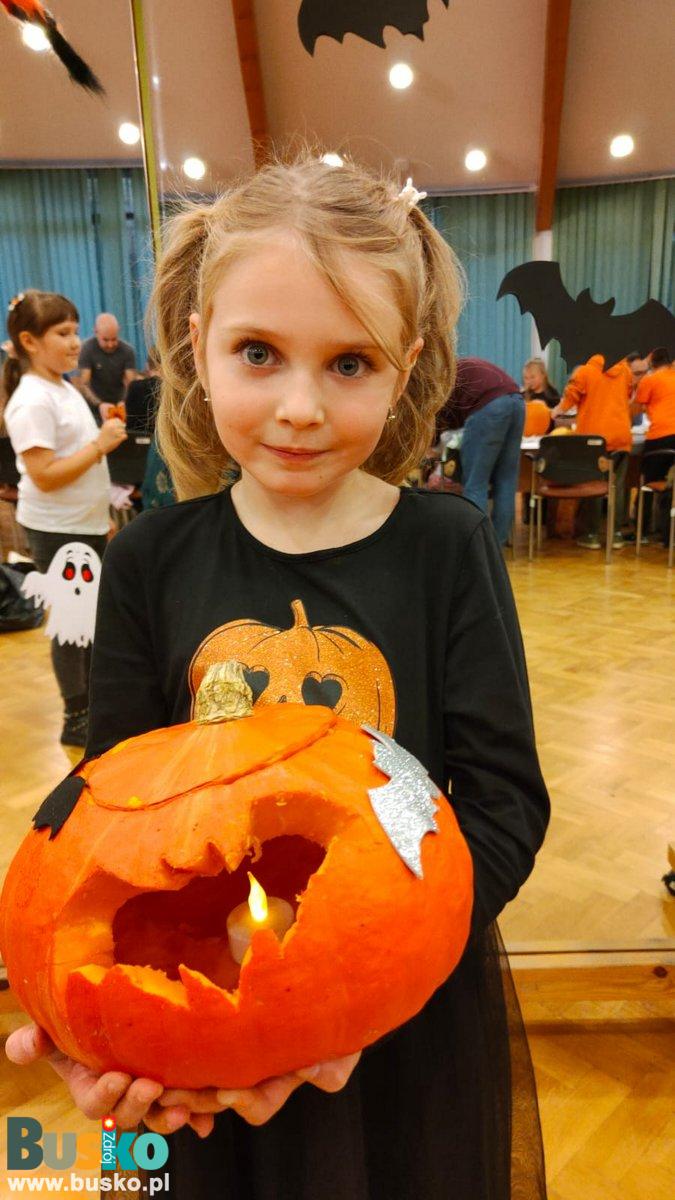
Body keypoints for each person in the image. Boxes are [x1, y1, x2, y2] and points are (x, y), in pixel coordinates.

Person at [6, 157, 550, 1200]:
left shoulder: (447, 546)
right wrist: (85, 1016)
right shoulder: (150, 558)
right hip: (198, 1011)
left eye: (349, 363)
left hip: (395, 1022)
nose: (300, 406)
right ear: (198, 347)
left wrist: (371, 978)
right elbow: (107, 805)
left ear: (407, 368)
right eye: (258, 353)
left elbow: (502, 804)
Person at [2, 290, 127, 745]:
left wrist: (101, 518)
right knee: (71, 624)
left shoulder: (62, 386)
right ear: (30, 341)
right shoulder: (33, 399)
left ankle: (93, 702)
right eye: (63, 333)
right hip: (57, 530)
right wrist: (100, 445)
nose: (76, 342)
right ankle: (76, 716)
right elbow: (45, 475)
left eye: (76, 331)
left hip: (82, 524)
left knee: (88, 619)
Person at [436, 356, 526, 545]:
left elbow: (443, 416)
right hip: (518, 401)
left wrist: (432, 444)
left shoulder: (442, 379)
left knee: (475, 482)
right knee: (507, 481)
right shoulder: (461, 367)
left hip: (488, 406)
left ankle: (478, 547)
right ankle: (497, 545)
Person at [550, 354, 632, 549]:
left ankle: (592, 534)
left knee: (593, 485)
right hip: (621, 437)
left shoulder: (585, 372)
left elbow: (569, 399)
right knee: (617, 488)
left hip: (595, 440)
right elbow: (627, 395)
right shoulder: (625, 371)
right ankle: (616, 535)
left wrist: (554, 412)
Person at [632, 347, 675, 545]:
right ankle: (667, 532)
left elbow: (636, 407)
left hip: (659, 438)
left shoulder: (650, 380)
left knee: (646, 482)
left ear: (651, 363)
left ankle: (641, 530)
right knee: (670, 483)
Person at [77, 312, 137, 420]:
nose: (110, 344)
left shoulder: (127, 351)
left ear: (118, 331)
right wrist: (100, 404)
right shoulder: (87, 349)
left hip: (120, 406)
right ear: (96, 332)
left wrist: (124, 401)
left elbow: (131, 383)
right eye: (105, 340)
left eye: (114, 339)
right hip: (95, 407)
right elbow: (84, 384)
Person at [125, 345, 161, 435]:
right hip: (162, 439)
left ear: (147, 366)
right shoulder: (173, 390)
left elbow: (129, 421)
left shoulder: (134, 387)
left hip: (136, 439)